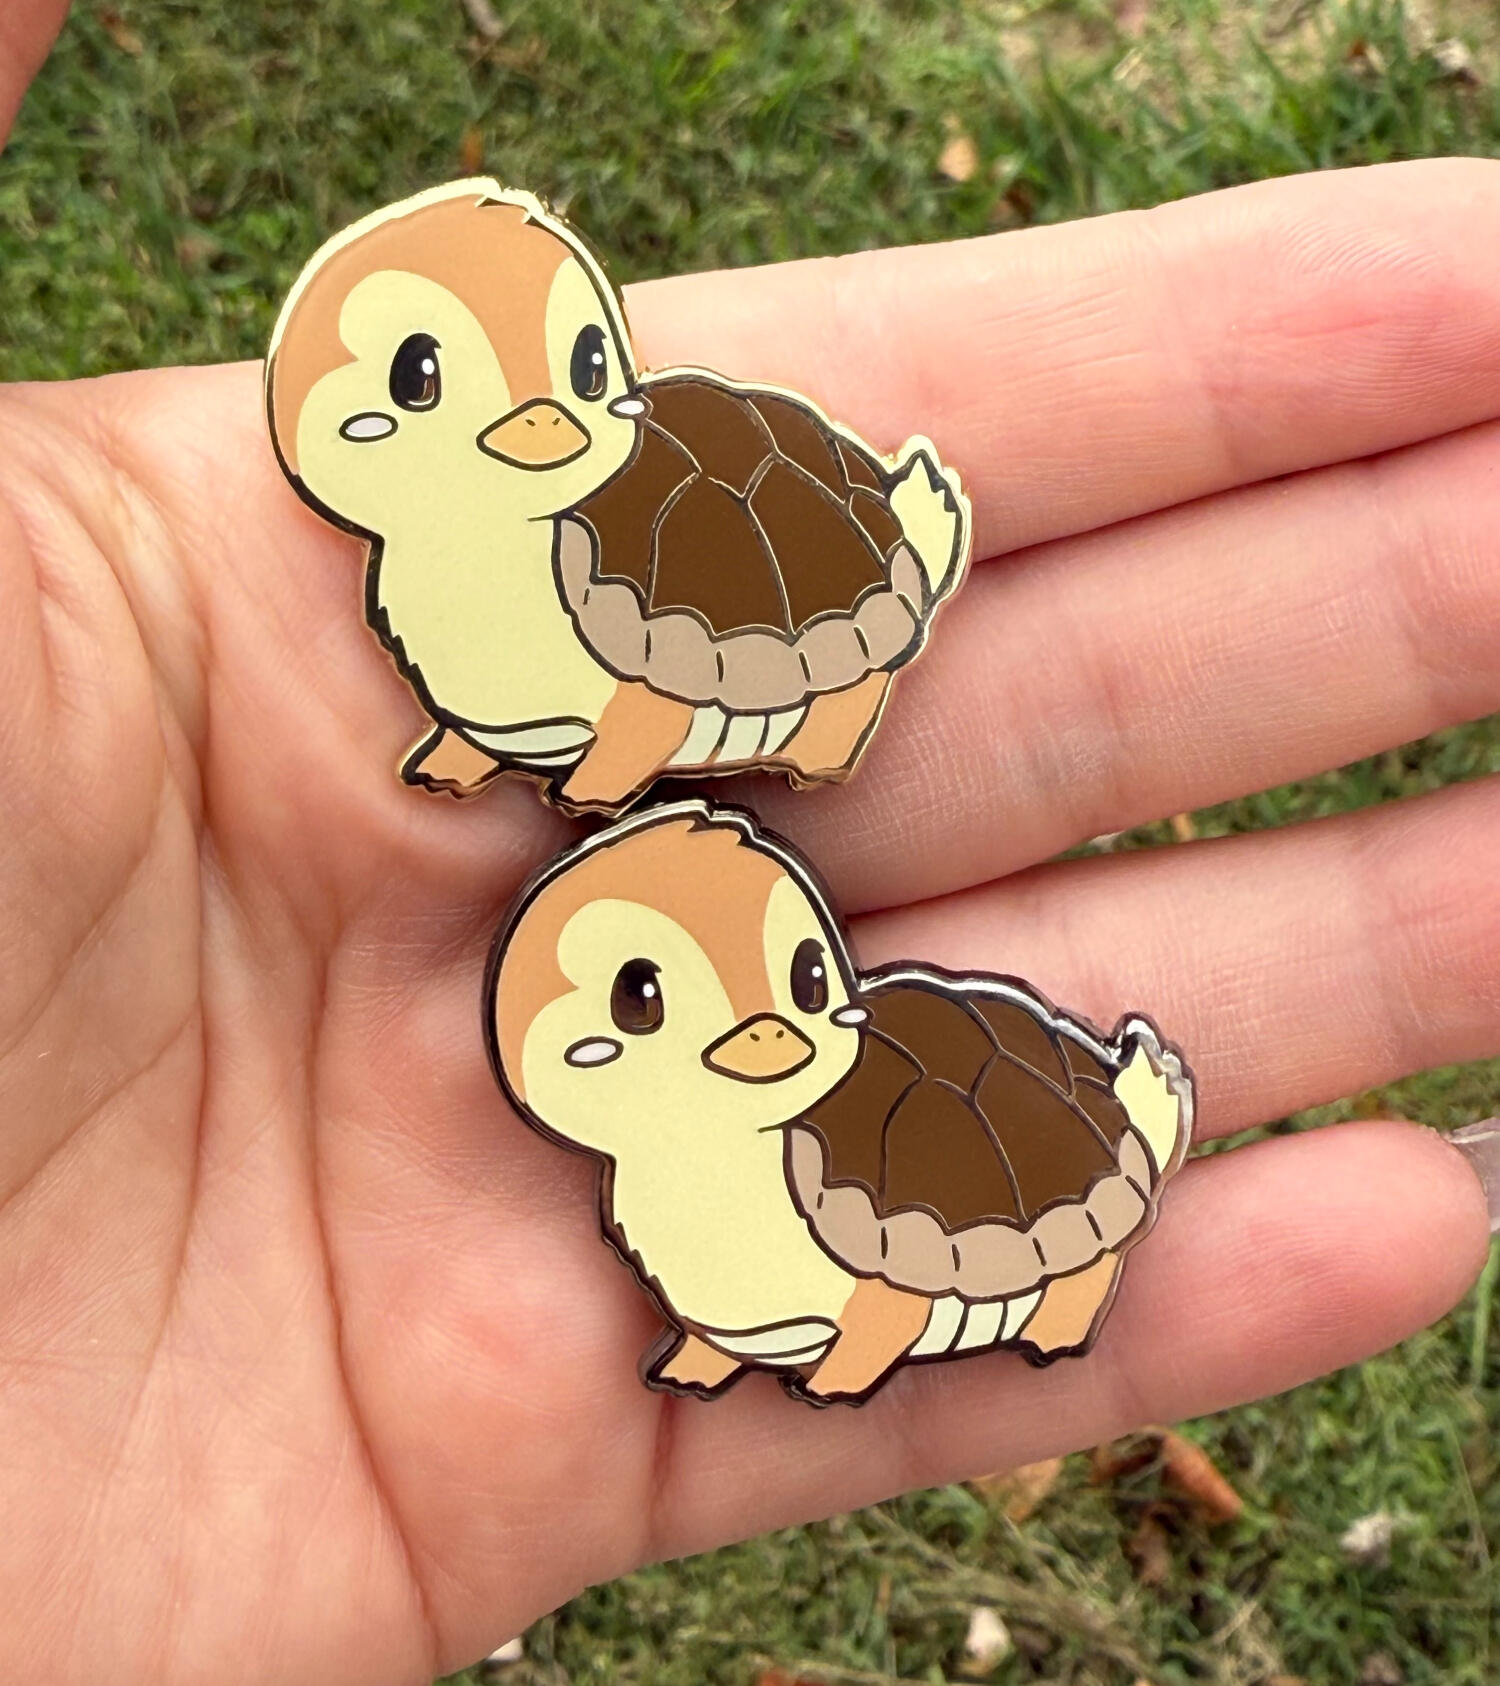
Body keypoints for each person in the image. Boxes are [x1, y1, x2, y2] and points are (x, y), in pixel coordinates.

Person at [0, 4, 1496, 1681]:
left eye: (574, 373)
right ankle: (729, 1280)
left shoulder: (802, 1089)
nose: (534, 422)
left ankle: (1014, 1164)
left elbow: (656, 700)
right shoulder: (437, 589)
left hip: (786, 665)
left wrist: (656, 741)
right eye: (429, 378)